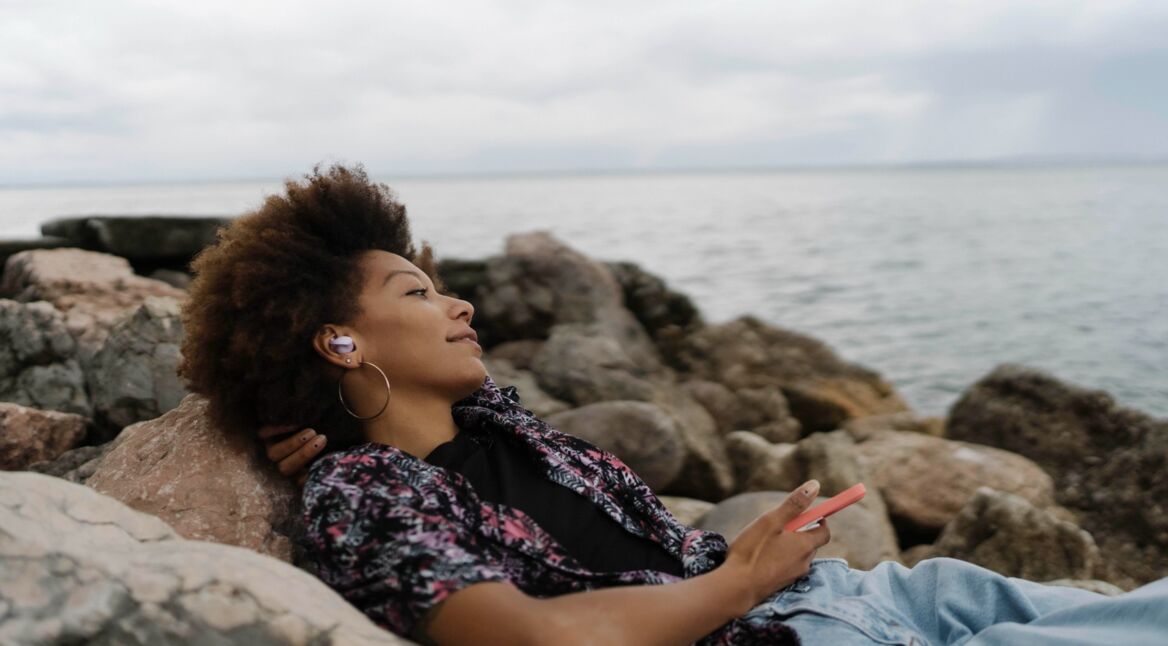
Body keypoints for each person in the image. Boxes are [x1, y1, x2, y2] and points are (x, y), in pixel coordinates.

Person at [180, 162, 1168, 646]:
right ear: (340, 339)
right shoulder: (367, 492)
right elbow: (538, 640)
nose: (458, 300)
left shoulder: (491, 423)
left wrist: (308, 417)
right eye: (416, 292)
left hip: (857, 599)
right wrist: (743, 575)